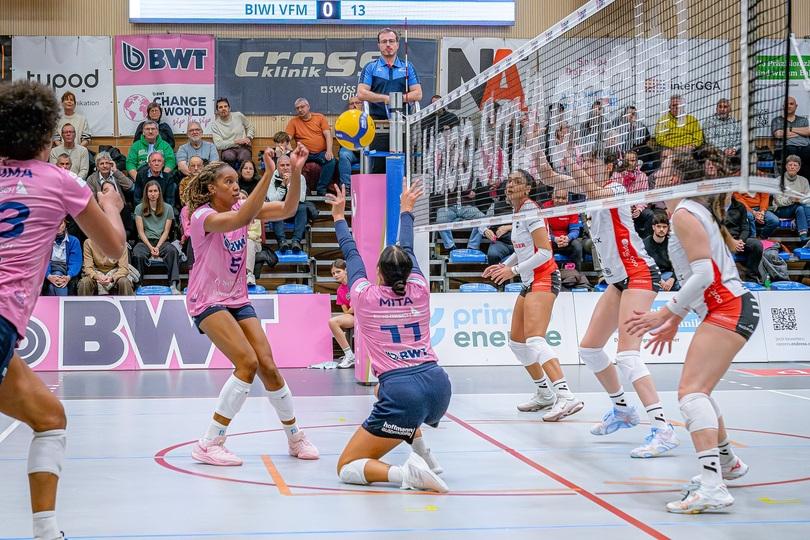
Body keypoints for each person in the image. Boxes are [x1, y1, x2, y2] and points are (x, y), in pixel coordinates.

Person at [0, 80, 126, 540]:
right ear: (49, 135)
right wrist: (111, 205)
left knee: (49, 417)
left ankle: (46, 532)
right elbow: (112, 248)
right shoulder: (60, 179)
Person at [627, 158, 758, 513]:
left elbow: (703, 273)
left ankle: (713, 485)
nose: (655, 174)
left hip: (729, 306)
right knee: (699, 391)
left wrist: (665, 312)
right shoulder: (685, 212)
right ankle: (728, 463)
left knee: (690, 393)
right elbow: (696, 276)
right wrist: (677, 317)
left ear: (678, 179)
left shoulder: (685, 212)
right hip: (724, 307)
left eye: (664, 168)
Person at [535, 149, 679, 458]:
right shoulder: (586, 190)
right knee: (589, 348)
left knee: (627, 355)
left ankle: (663, 428)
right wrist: (535, 141)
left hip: (640, 274)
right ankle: (622, 410)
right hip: (618, 281)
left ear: (609, 166)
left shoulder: (613, 189)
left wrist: (574, 164)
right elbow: (547, 176)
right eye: (585, 161)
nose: (586, 164)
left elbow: (594, 188)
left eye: (592, 160)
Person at [183, 143, 319, 465]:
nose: (235, 187)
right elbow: (241, 217)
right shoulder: (202, 216)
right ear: (210, 188)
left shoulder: (243, 204)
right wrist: (269, 173)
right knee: (246, 362)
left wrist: (295, 172)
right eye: (228, 182)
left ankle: (295, 437)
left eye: (236, 182)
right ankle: (209, 442)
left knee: (268, 366)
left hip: (237, 297)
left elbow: (287, 208)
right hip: (207, 300)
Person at [325, 181, 450, 493]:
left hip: (405, 392)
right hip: (438, 385)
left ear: (378, 272)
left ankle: (408, 475)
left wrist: (339, 217)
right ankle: (429, 460)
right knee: (384, 389)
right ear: (408, 273)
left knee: (346, 468)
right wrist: (406, 210)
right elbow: (406, 248)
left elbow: (350, 253)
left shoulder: (363, 297)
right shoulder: (420, 289)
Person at [482, 170, 584, 422]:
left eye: (517, 182)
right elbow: (523, 249)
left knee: (535, 340)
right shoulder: (517, 213)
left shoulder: (531, 211)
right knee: (517, 341)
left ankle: (566, 395)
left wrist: (512, 271)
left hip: (545, 278)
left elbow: (545, 252)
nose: (510, 185)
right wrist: (504, 264)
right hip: (530, 281)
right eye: (510, 181)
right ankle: (544, 393)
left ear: (528, 189)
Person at [358, 28, 422, 173]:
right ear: (379, 45)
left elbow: (418, 94)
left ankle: (403, 196)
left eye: (391, 41)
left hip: (403, 124)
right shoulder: (371, 67)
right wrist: (386, 99)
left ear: (398, 44)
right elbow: (361, 93)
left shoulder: (407, 67)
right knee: (379, 168)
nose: (388, 44)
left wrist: (397, 99)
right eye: (384, 41)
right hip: (377, 125)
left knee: (404, 168)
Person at [132, 180, 181, 293]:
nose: (153, 194)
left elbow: (166, 231)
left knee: (172, 251)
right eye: (150, 191)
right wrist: (150, 247)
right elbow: (140, 232)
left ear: (159, 193)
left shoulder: (168, 208)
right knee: (137, 253)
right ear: (146, 193)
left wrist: (158, 247)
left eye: (155, 191)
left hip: (162, 241)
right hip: (145, 241)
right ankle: (138, 285)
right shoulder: (139, 208)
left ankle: (173, 285)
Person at [285, 97, 337, 196]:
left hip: (320, 153)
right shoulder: (293, 122)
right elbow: (286, 139)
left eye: (302, 107)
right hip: (303, 153)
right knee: (292, 162)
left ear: (308, 107)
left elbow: (328, 135)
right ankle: (304, 190)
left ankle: (321, 189)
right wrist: (290, 150)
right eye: (297, 108)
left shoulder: (320, 117)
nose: (300, 110)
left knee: (331, 161)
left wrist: (329, 151)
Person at [265, 154, 311, 253]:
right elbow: (272, 199)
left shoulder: (300, 177)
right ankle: (282, 241)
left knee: (302, 207)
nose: (285, 168)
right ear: (277, 167)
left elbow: (301, 198)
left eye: (288, 165)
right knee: (275, 207)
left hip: (293, 211)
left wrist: (290, 184)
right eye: (282, 165)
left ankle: (296, 241)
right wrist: (282, 185)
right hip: (279, 212)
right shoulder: (270, 178)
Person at [771, 155, 810, 244]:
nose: (792, 167)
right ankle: (804, 236)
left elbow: (808, 199)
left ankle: (804, 236)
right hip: (781, 210)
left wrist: (797, 199)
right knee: (800, 207)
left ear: (799, 168)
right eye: (790, 164)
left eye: (795, 165)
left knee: (802, 207)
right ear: (786, 166)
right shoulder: (778, 180)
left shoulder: (804, 181)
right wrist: (793, 198)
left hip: (800, 208)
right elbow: (779, 202)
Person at [771, 95, 810, 178]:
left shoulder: (803, 120)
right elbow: (778, 134)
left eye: (791, 104)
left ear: (796, 106)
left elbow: (808, 132)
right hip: (786, 148)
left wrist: (790, 129)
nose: (789, 106)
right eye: (786, 104)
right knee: (791, 158)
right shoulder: (777, 120)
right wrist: (800, 132)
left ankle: (805, 186)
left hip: (805, 147)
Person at [211, 97, 254, 169]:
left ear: (229, 108)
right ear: (217, 111)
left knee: (243, 157)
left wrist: (249, 137)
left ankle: (241, 178)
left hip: (243, 147)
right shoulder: (215, 125)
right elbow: (218, 145)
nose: (223, 108)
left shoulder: (238, 116)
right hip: (228, 149)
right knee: (229, 157)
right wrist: (236, 142)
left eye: (225, 106)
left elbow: (250, 126)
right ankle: (230, 178)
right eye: (220, 107)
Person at [42, 219, 82, 296]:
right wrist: (49, 276)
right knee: (56, 277)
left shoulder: (74, 241)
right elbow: (42, 261)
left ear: (65, 224)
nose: (58, 226)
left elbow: (76, 262)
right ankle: (66, 306)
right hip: (48, 270)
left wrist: (68, 276)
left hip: (66, 271)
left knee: (53, 285)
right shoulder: (45, 241)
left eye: (60, 223)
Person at [329, 259, 356, 369]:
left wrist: (354, 307)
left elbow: (358, 306)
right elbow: (346, 311)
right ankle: (349, 355)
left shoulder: (355, 283)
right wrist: (353, 306)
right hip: (353, 317)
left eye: (338, 271)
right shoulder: (340, 290)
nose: (335, 275)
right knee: (332, 322)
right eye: (333, 273)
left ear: (346, 270)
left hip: (365, 315)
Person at [643, 212, 679, 291]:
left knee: (680, 282)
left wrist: (672, 279)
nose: (661, 229)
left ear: (668, 228)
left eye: (664, 227)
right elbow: (644, 267)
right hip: (652, 275)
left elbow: (679, 265)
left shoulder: (672, 243)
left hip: (669, 275)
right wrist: (659, 279)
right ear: (653, 227)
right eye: (658, 226)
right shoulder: (644, 244)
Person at [338, 97, 363, 190]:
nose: (354, 106)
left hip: (366, 151)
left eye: (358, 103)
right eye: (351, 104)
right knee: (343, 154)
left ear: (363, 105)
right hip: (351, 151)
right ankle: (346, 188)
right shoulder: (343, 120)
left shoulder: (369, 119)